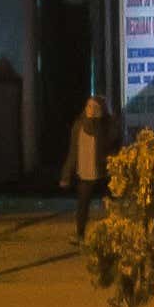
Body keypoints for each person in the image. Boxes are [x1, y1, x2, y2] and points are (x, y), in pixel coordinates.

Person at [63, 100, 116, 243]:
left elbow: (113, 145)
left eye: (95, 107)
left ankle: (116, 233)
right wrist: (66, 174)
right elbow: (73, 151)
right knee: (82, 206)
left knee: (112, 204)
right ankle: (80, 234)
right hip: (85, 174)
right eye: (88, 106)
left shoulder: (105, 126)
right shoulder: (79, 126)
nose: (91, 109)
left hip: (103, 173)